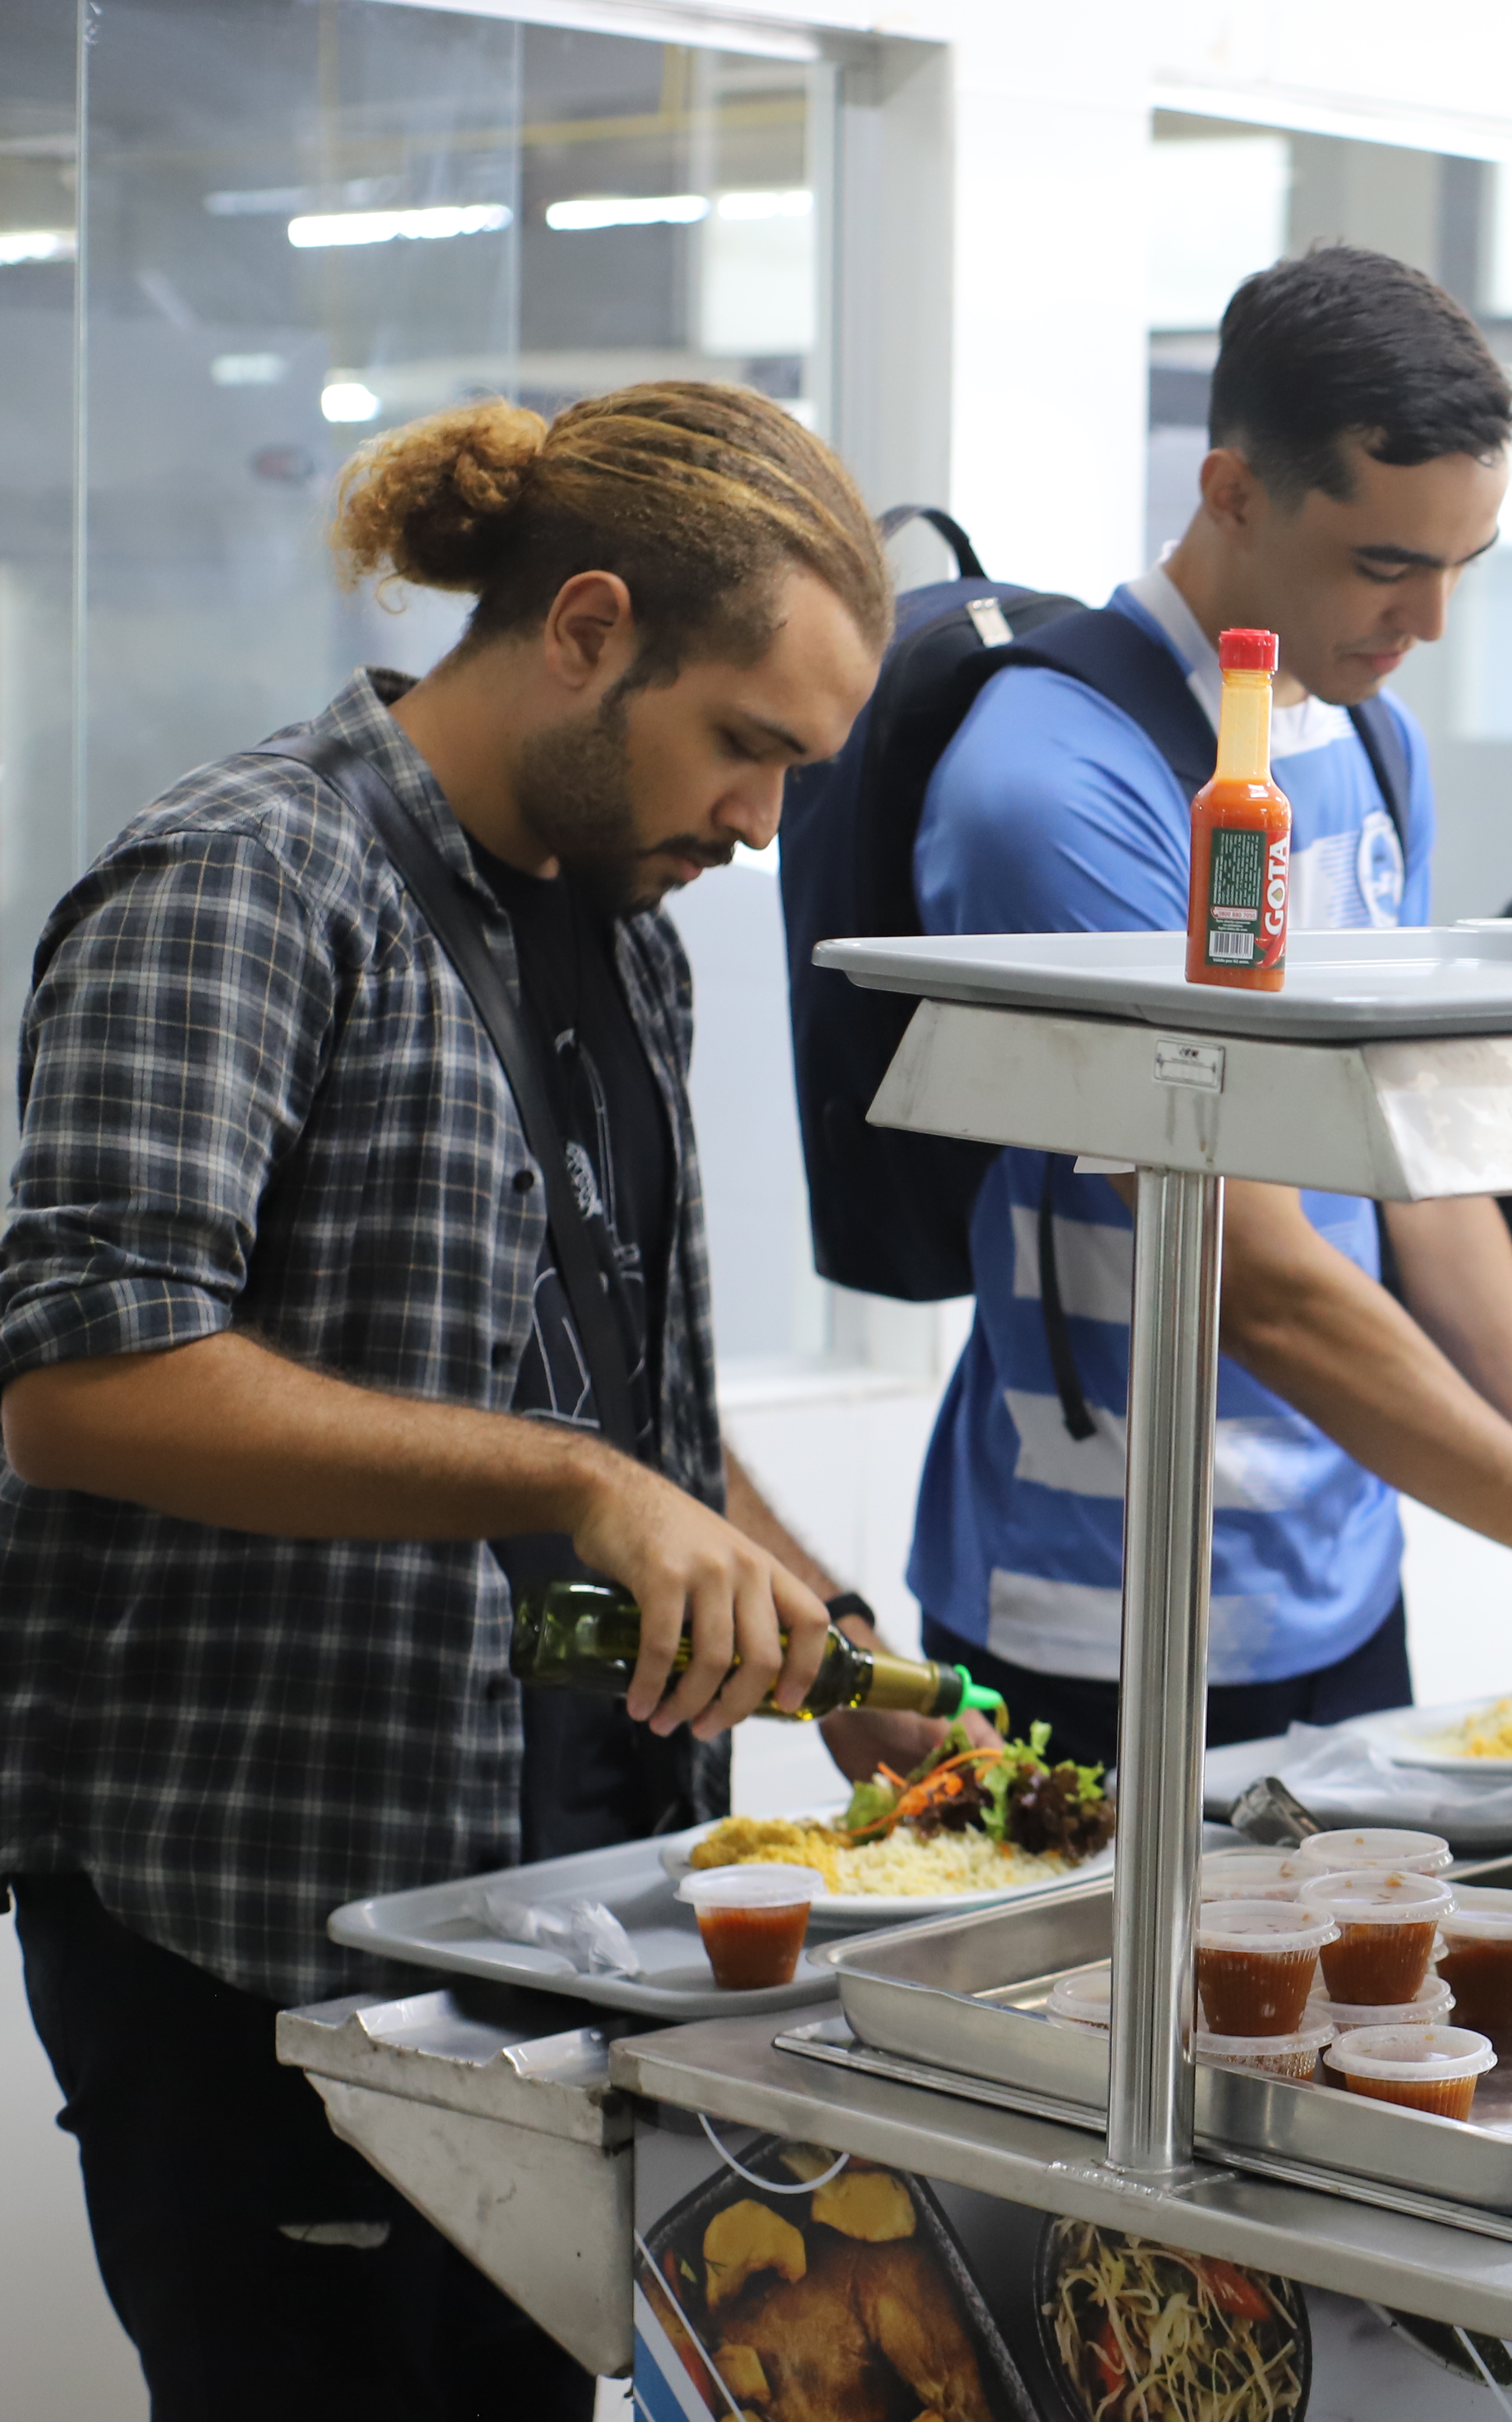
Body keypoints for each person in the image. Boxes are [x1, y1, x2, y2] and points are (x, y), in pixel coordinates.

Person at [0, 384, 894, 2412]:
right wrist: (583, 1485)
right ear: (586, 628)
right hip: (277, 1938)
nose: (761, 825)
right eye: (746, 744)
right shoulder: (246, 881)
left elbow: (622, 1407)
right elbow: (83, 1383)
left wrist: (822, 1634)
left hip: (563, 1914)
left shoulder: (620, 929)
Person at [912, 247, 1512, 1764]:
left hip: (1344, 1577)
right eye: (1382, 565)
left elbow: (1422, 1180)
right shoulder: (1060, 782)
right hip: (1100, 1592)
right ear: (1233, 493)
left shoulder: (1367, 746)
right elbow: (1257, 1274)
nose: (1426, 619)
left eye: (1461, 567)